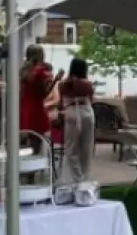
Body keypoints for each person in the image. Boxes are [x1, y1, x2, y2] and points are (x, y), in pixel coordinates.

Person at [58, 57, 96, 185]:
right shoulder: (87, 84)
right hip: (86, 112)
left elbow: (60, 102)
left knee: (71, 149)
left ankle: (76, 179)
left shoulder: (62, 84)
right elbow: (91, 99)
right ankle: (85, 178)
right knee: (86, 149)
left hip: (71, 113)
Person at [19, 44, 53, 136]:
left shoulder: (23, 70)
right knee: (39, 139)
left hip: (25, 107)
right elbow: (43, 94)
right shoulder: (41, 71)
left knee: (28, 139)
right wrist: (55, 80)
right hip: (37, 109)